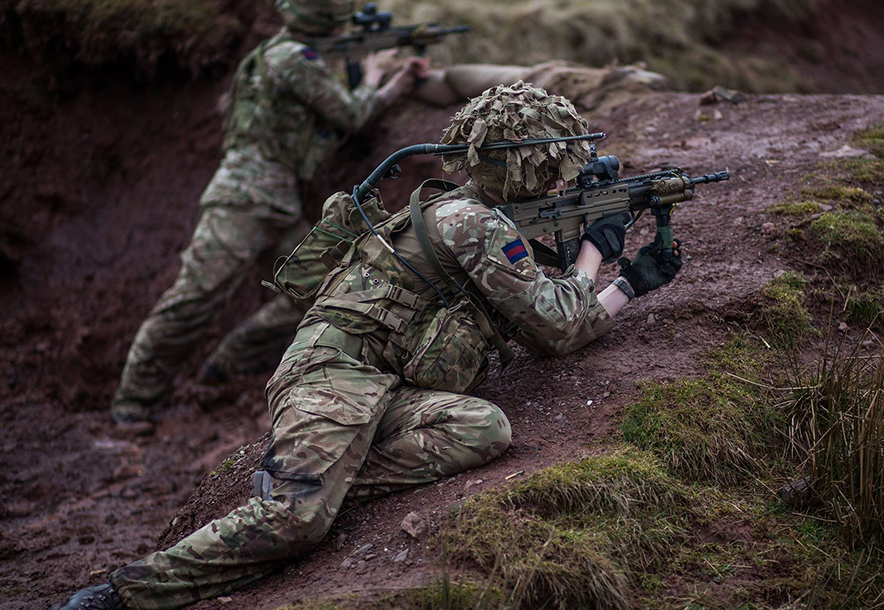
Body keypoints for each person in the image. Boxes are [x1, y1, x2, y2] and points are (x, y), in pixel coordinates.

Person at [59, 82, 683, 610]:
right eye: (561, 161)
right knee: (294, 524)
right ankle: (121, 593)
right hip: (331, 370)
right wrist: (602, 251)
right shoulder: (473, 222)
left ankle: (329, 481)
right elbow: (559, 325)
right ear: (535, 164)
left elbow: (548, 322)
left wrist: (627, 280)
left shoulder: (469, 207)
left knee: (484, 427)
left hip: (389, 383)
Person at [109, 0, 426, 425]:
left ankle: (231, 360)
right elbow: (351, 114)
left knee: (319, 288)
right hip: (243, 200)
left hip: (275, 201)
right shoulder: (293, 58)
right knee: (195, 298)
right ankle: (133, 401)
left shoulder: (272, 53)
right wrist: (380, 77)